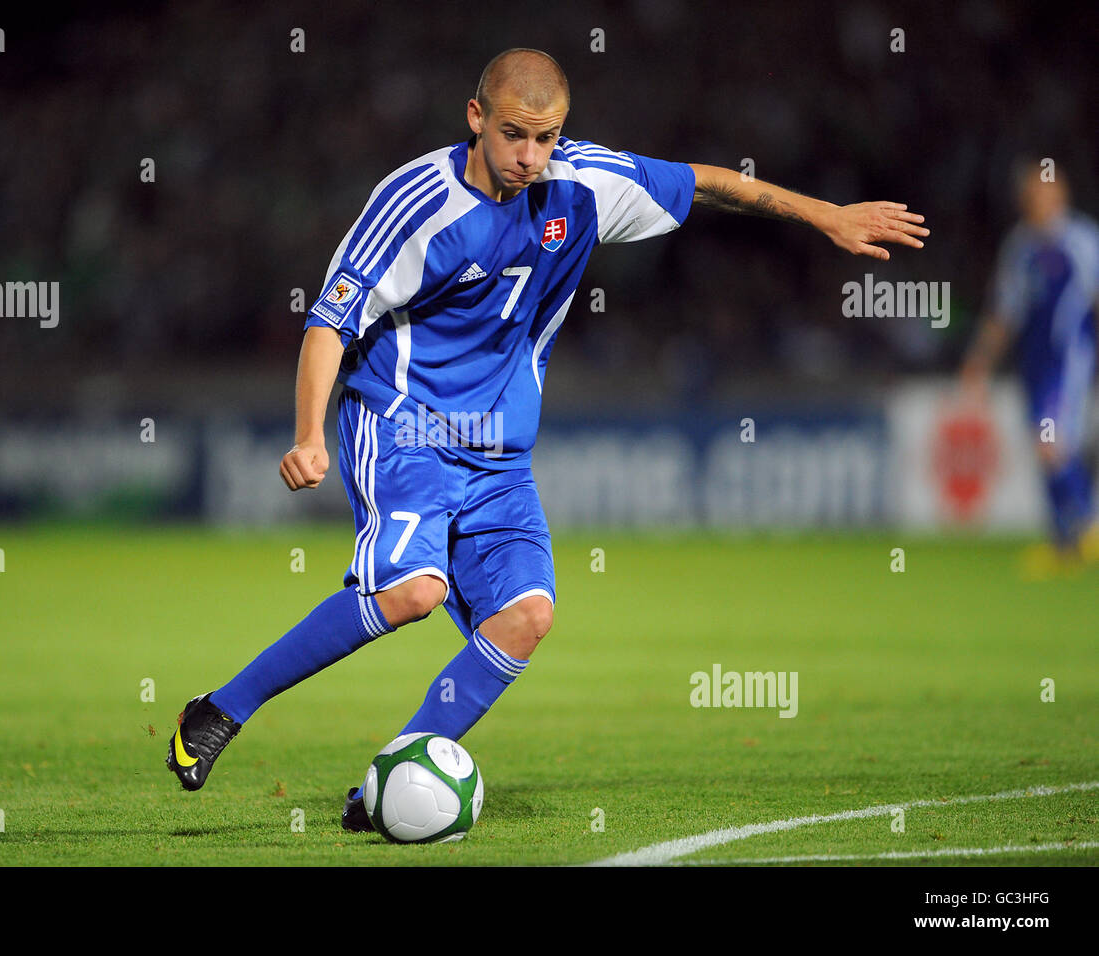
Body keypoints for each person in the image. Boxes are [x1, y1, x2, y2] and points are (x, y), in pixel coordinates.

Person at [167, 48, 928, 829]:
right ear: (475, 119)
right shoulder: (416, 202)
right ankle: (221, 710)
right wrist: (308, 434)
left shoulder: (583, 183)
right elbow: (330, 322)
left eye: (547, 137)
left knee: (526, 618)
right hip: (404, 425)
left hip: (500, 455)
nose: (531, 156)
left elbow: (707, 182)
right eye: (514, 135)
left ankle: (385, 789)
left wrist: (826, 215)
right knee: (411, 592)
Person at [960, 162, 1099, 575]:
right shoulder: (1020, 247)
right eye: (1028, 194)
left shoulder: (1081, 240)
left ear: (1060, 196)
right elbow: (1004, 312)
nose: (1033, 201)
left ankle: (1088, 524)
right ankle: (1064, 542)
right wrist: (979, 361)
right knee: (1046, 448)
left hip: (1069, 360)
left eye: (1041, 193)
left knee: (1050, 442)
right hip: (1033, 365)